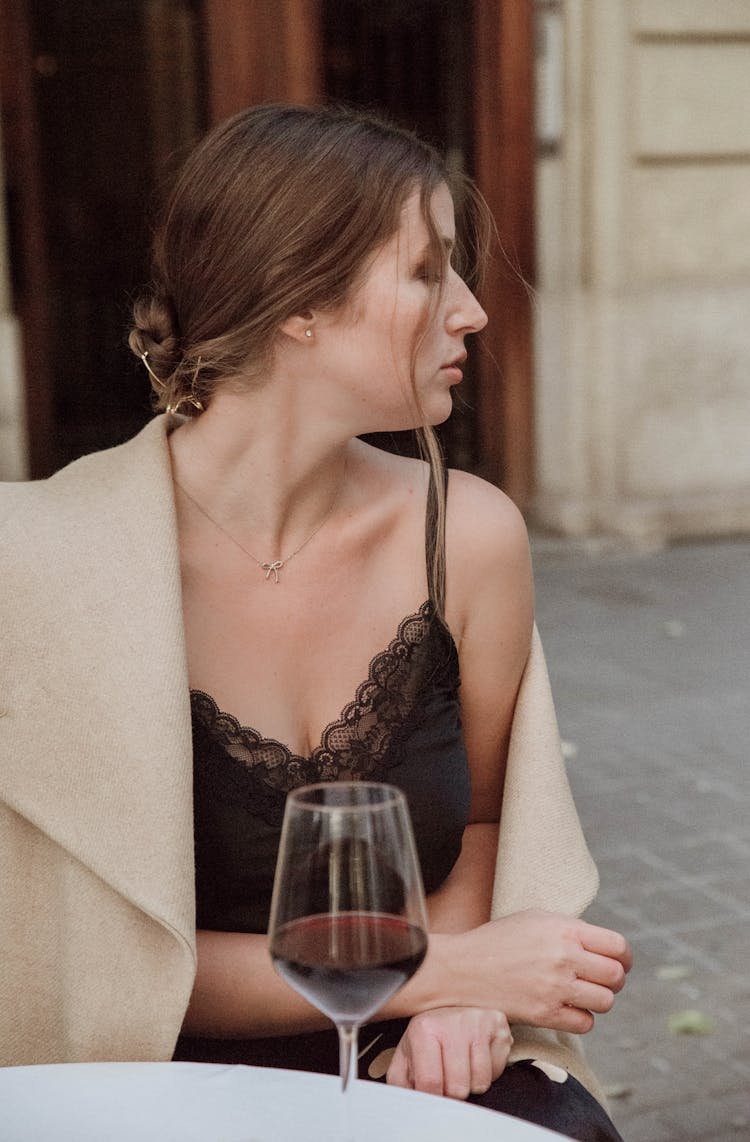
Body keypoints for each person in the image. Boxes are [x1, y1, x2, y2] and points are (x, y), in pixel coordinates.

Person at [0, 104, 631, 1139]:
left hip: (401, 1042)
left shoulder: (465, 531)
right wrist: (438, 971)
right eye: (427, 272)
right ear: (300, 303)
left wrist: (459, 995)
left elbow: (479, 817)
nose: (470, 310)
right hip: (137, 1060)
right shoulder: (35, 565)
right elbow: (83, 960)